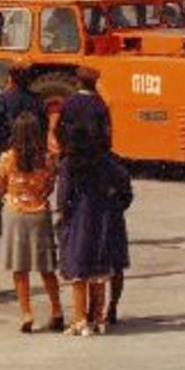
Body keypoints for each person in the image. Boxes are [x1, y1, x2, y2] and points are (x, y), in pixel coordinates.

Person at [57, 124, 134, 332]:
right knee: (99, 271)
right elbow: (126, 190)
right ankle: (98, 318)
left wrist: (63, 215)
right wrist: (115, 205)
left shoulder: (68, 164)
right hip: (104, 222)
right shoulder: (108, 162)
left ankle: (80, 319)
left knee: (79, 270)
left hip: (79, 222)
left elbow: (63, 198)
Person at [0, 113, 63, 332]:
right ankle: (57, 310)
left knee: (20, 267)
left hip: (15, 213)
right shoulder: (47, 159)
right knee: (47, 267)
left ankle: (26, 313)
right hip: (40, 213)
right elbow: (50, 185)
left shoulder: (7, 158)